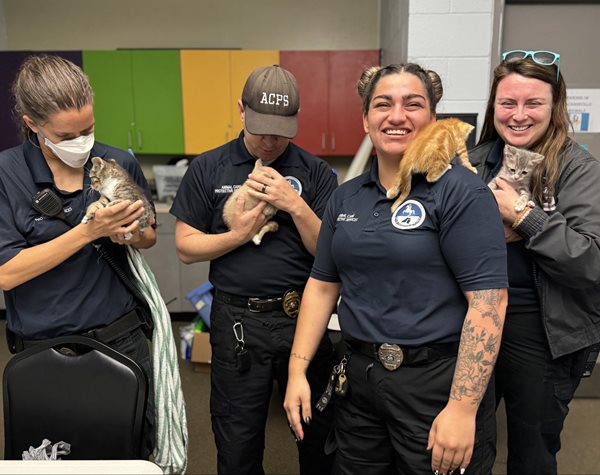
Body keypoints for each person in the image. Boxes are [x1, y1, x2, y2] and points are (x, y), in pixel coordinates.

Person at [284, 63, 509, 475]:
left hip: (436, 384)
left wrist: (462, 409)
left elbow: (489, 302)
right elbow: (321, 286)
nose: (397, 115)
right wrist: (297, 369)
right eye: (383, 104)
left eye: (413, 104)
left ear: (432, 119)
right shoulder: (346, 198)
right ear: (366, 120)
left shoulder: (461, 192)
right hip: (359, 382)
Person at [171, 65, 338, 475]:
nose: (270, 139)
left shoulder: (315, 173)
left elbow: (330, 254)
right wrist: (239, 235)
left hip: (302, 318)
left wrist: (295, 204)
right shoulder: (209, 168)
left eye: (280, 130)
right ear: (241, 111)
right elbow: (186, 248)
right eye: (261, 126)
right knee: (237, 440)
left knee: (318, 438)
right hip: (237, 322)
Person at [0, 54, 156, 456]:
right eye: (67, 136)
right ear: (33, 125)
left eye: (88, 129)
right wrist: (90, 231)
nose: (82, 143)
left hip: (122, 344)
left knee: (128, 455)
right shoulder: (7, 175)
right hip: (44, 351)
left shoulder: (117, 161)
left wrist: (130, 234)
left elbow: (149, 234)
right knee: (52, 458)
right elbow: (7, 273)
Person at [469, 50, 600, 474]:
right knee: (466, 445)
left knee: (532, 454)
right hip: (473, 322)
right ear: (493, 106)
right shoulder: (472, 163)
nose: (518, 115)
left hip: (540, 332)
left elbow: (591, 262)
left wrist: (526, 218)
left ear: (554, 106)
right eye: (508, 103)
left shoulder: (580, 169)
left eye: (533, 103)